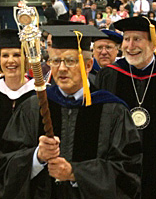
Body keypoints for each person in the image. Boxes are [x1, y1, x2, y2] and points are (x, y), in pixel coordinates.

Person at [0, 25, 142, 199]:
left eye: (70, 61)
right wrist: (37, 157)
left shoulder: (113, 110)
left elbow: (130, 171)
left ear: (88, 65)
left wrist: (76, 173)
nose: (61, 68)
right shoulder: (33, 107)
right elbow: (5, 162)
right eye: (55, 61)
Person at [95, 16, 156, 199]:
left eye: (137, 39)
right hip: (119, 164)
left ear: (153, 43)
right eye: (126, 39)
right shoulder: (109, 75)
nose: (130, 46)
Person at [0, 29, 35, 144]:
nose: (11, 60)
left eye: (16, 55)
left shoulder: (39, 94)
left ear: (26, 58)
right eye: (5, 55)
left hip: (29, 160)